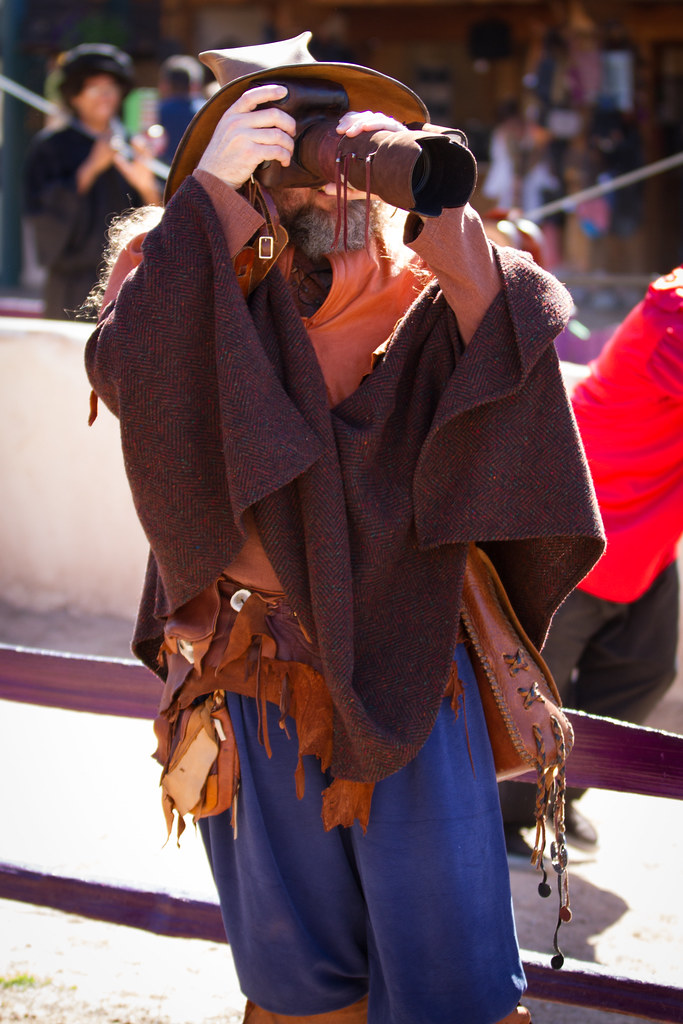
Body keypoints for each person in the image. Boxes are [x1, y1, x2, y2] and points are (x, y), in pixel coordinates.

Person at [85, 33, 604, 1024]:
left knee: (450, 982)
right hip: (258, 669)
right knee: (299, 985)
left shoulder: (414, 276)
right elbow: (128, 370)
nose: (326, 177)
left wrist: (427, 197)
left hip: (413, 664)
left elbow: (514, 339)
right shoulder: (176, 262)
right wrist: (213, 202)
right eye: (297, 146)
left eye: (337, 140)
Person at [502, 264, 683, 856]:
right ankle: (508, 816)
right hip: (584, 516)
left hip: (648, 533)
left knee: (645, 669)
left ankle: (559, 793)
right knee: (536, 687)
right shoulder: (672, 316)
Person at [24, 43, 161, 320]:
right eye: (95, 88)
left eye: (111, 88)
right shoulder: (50, 148)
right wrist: (90, 168)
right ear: (74, 95)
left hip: (127, 281)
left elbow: (158, 217)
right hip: (71, 285)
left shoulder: (132, 146)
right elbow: (41, 215)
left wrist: (146, 185)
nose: (106, 97)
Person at [156, 54, 206, 165]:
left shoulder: (158, 111)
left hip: (165, 174)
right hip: (199, 175)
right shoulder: (208, 110)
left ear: (166, 84)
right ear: (194, 85)